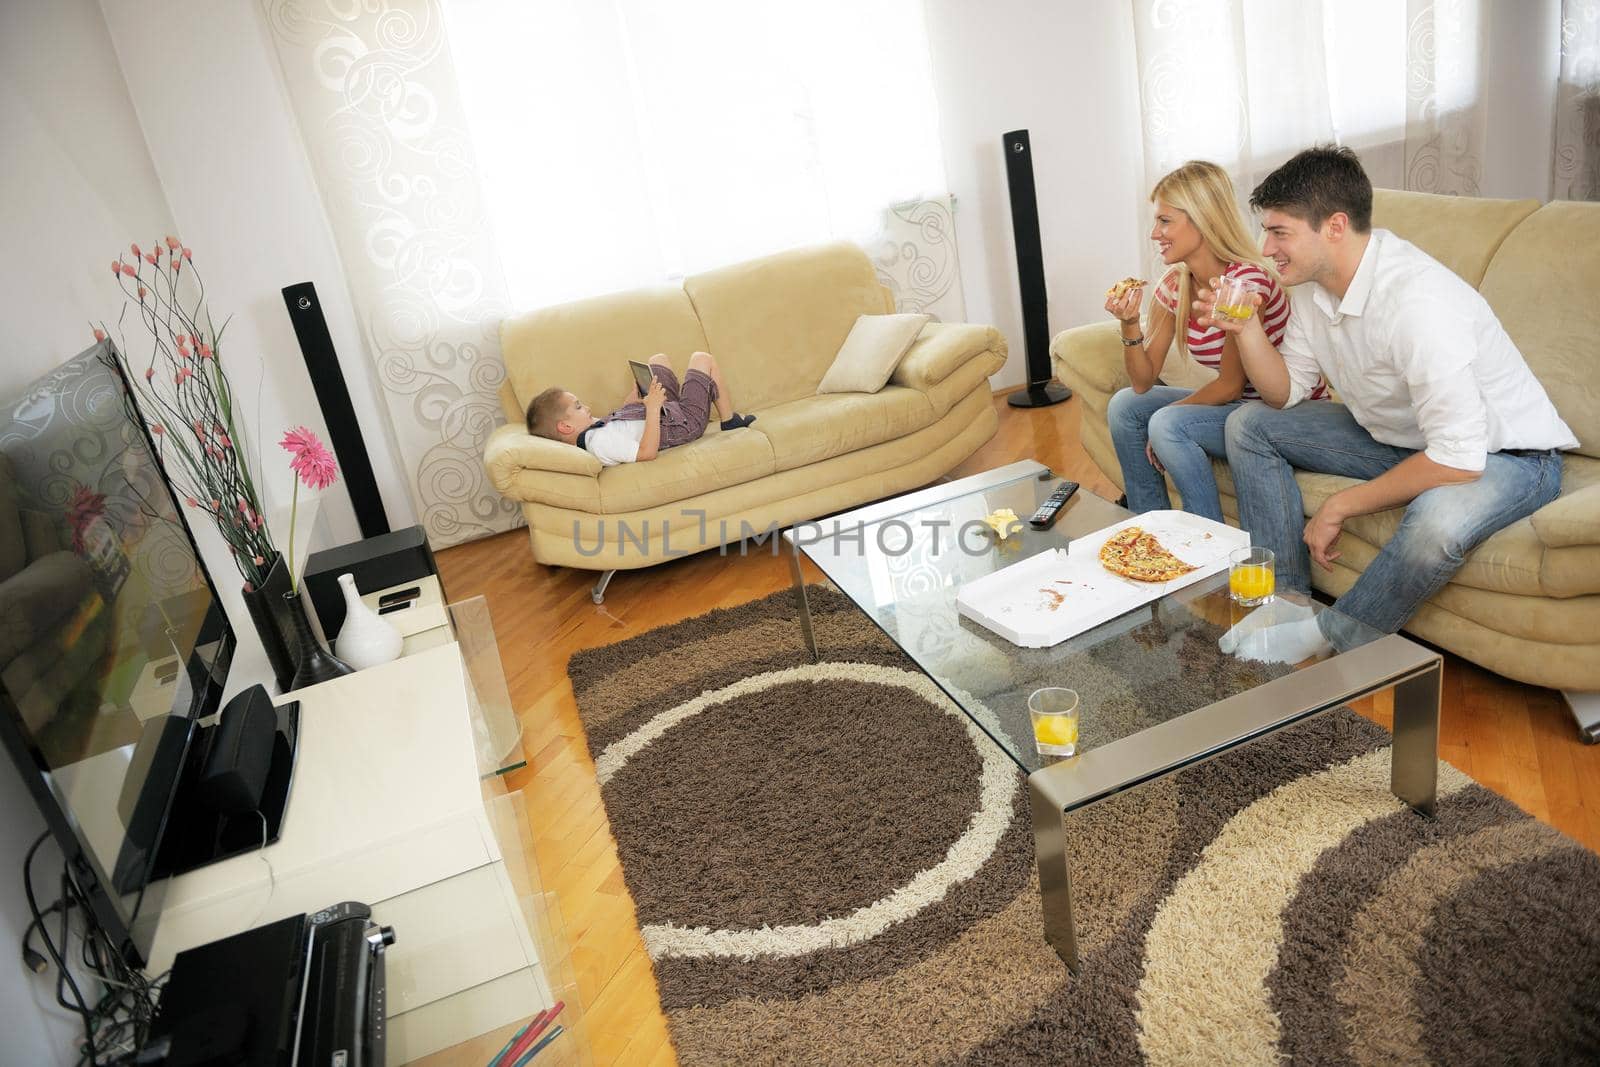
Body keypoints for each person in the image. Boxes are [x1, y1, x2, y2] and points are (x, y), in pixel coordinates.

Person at [1202, 145, 1576, 661]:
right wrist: (1244, 331)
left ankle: (1328, 636)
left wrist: (1340, 505)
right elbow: (1283, 394)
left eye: (1279, 232)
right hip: (1403, 440)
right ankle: (1288, 600)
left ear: (1334, 226)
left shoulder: (1417, 304)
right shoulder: (1313, 289)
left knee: (1435, 525)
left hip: (1504, 457)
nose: (1265, 248)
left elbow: (1459, 457)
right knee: (1249, 424)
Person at [1104, 160, 1318, 523]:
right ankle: (1150, 529)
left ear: (1202, 219)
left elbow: (1231, 386)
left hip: (1281, 414)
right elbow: (1142, 381)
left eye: (1165, 221)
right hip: (1235, 411)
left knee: (1167, 424)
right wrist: (1128, 324)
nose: (1155, 234)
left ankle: (1207, 545)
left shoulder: (1246, 284)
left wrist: (1170, 414)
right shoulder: (1175, 285)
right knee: (1125, 406)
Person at [526, 351, 755, 466]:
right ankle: (729, 420)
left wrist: (630, 404)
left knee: (658, 359)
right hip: (682, 424)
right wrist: (653, 408)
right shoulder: (599, 442)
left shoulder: (593, 431)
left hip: (664, 411)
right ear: (565, 426)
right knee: (702, 359)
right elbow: (646, 452)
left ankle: (660, 394)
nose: (585, 406)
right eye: (577, 407)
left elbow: (622, 427)